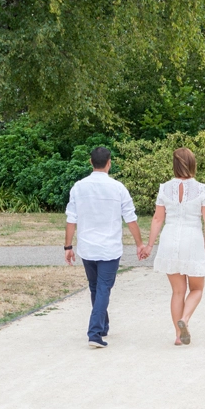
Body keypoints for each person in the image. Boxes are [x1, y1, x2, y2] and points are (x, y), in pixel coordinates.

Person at [65, 147, 146, 348]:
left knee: (96, 287)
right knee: (103, 288)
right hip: (109, 248)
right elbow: (130, 218)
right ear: (109, 162)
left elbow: (71, 219)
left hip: (87, 247)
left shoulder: (78, 187)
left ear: (91, 162)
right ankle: (94, 333)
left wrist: (68, 246)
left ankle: (103, 325)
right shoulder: (118, 188)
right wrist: (139, 244)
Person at [141, 148, 205, 346]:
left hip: (169, 239)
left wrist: (149, 244)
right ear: (193, 164)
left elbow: (158, 219)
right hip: (192, 239)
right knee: (197, 289)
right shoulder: (202, 189)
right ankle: (186, 319)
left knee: (177, 292)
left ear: (174, 165)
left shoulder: (164, 188)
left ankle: (178, 335)